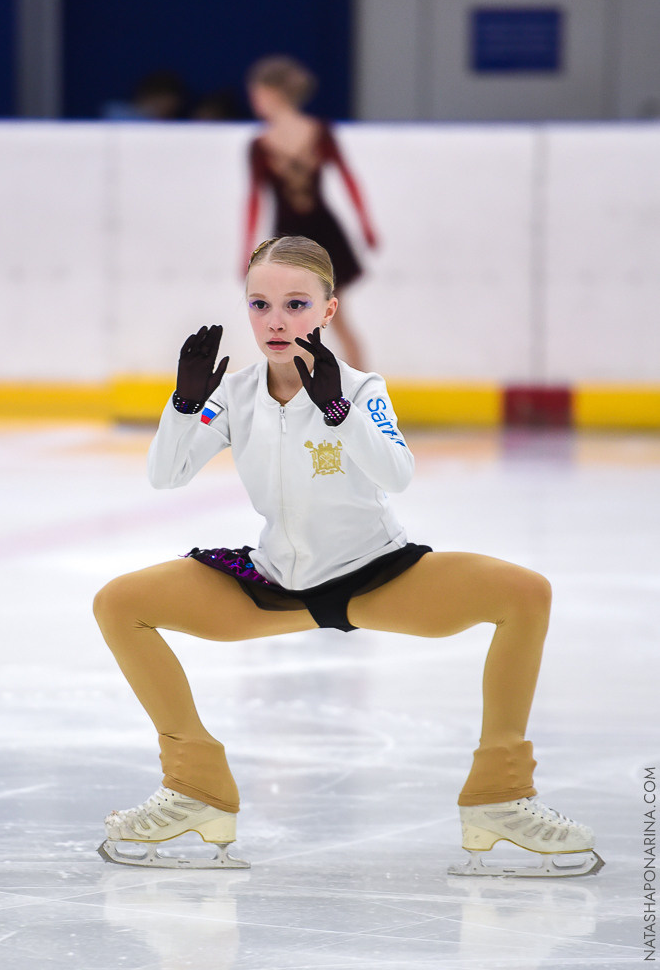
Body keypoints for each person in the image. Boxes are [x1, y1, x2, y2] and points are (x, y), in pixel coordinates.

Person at [93, 235, 602, 877]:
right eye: (259, 304)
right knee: (119, 603)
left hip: (378, 577)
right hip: (273, 582)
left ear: (329, 311)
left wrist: (339, 411)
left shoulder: (361, 388)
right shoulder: (237, 394)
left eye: (296, 304)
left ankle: (500, 798)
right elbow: (166, 476)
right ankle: (197, 788)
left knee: (525, 593)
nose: (276, 321)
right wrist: (185, 405)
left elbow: (398, 475)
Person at [243, 56, 377, 370]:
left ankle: (358, 390)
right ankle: (332, 389)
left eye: (257, 94)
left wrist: (245, 249)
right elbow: (349, 180)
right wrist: (365, 226)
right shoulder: (271, 143)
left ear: (272, 93)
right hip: (308, 234)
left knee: (307, 318)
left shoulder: (269, 144)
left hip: (300, 236)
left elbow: (347, 179)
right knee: (315, 319)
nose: (255, 101)